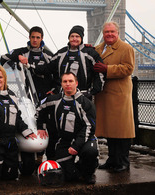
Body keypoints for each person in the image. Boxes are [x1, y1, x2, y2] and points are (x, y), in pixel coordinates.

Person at [0, 26, 54, 166]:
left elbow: (55, 72)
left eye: (38, 37)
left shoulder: (48, 55)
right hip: (26, 95)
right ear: (29, 38)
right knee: (26, 119)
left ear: (42, 39)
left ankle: (41, 156)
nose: (35, 40)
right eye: (33, 37)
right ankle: (19, 149)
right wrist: (16, 57)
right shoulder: (21, 51)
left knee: (43, 124)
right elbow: (3, 59)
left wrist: (54, 90)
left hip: (43, 95)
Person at [36, 72, 99, 184]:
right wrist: (41, 126)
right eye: (65, 81)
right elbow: (39, 108)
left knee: (90, 152)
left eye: (71, 81)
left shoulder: (86, 103)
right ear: (61, 84)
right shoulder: (55, 99)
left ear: (76, 83)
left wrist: (76, 145)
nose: (68, 84)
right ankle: (77, 170)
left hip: (85, 140)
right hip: (65, 140)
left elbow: (90, 127)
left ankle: (89, 172)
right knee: (68, 177)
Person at [93, 21, 135, 173]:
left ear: (118, 33)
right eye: (106, 32)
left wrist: (107, 69)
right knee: (110, 130)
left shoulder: (126, 48)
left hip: (119, 95)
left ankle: (123, 161)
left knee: (122, 131)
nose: (109, 34)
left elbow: (129, 68)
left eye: (112, 32)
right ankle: (112, 160)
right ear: (103, 33)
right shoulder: (98, 48)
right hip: (104, 95)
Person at [31, 25, 105, 99]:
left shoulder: (90, 53)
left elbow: (100, 73)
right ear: (69, 38)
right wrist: (28, 65)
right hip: (63, 98)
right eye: (72, 36)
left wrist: (92, 92)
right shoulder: (61, 54)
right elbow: (47, 69)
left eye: (77, 36)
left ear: (81, 38)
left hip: (83, 97)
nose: (74, 39)